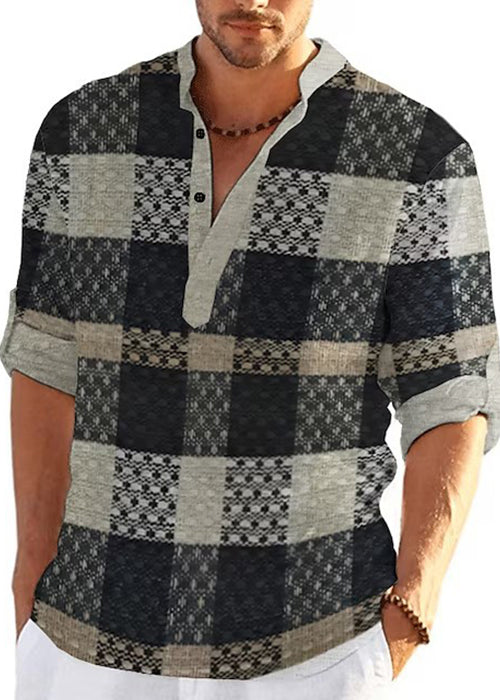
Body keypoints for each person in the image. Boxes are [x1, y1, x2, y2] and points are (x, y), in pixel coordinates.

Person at [2, 1, 499, 699]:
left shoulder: (418, 154)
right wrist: (30, 572)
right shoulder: (84, 128)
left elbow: (450, 394)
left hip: (316, 644)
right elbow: (46, 361)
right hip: (84, 641)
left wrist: (414, 604)